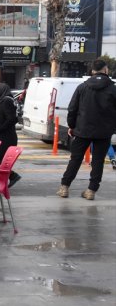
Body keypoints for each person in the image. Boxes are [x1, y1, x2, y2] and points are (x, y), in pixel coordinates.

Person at [56, 59, 116, 200]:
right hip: (103, 132)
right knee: (98, 161)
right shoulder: (113, 89)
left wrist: (72, 126)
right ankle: (91, 191)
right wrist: (112, 128)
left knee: (75, 160)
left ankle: (64, 187)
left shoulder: (82, 87)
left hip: (82, 130)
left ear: (92, 71)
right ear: (106, 70)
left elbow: (72, 108)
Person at [0, 82, 21, 187]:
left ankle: (12, 176)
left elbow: (12, 119)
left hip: (5, 138)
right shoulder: (4, 101)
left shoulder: (6, 101)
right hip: (3, 137)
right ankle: (2, 179)